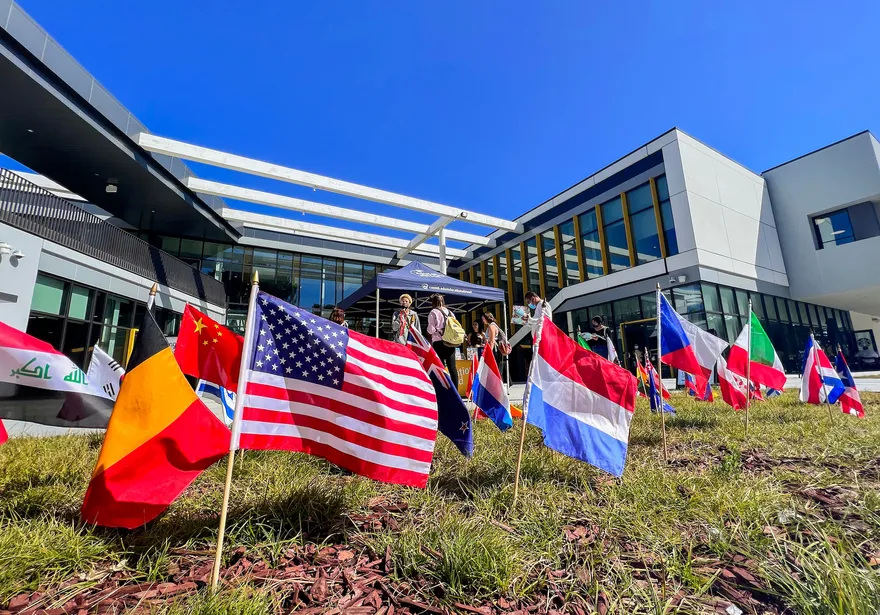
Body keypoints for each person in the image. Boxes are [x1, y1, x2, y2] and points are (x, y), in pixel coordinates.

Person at [426, 294, 459, 390]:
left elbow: (431, 329)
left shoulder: (433, 312)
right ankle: (455, 391)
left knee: (440, 367)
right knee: (452, 368)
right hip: (450, 342)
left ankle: (442, 390)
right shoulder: (450, 312)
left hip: (439, 342)